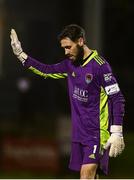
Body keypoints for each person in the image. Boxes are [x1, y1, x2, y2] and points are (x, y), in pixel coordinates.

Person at [10, 24, 125, 179]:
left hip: (97, 134)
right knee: (91, 175)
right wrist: (20, 54)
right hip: (78, 133)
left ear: (81, 41)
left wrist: (117, 131)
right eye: (63, 48)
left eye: (69, 47)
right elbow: (46, 70)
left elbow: (116, 97)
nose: (66, 52)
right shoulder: (69, 65)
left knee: (86, 174)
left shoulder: (100, 67)